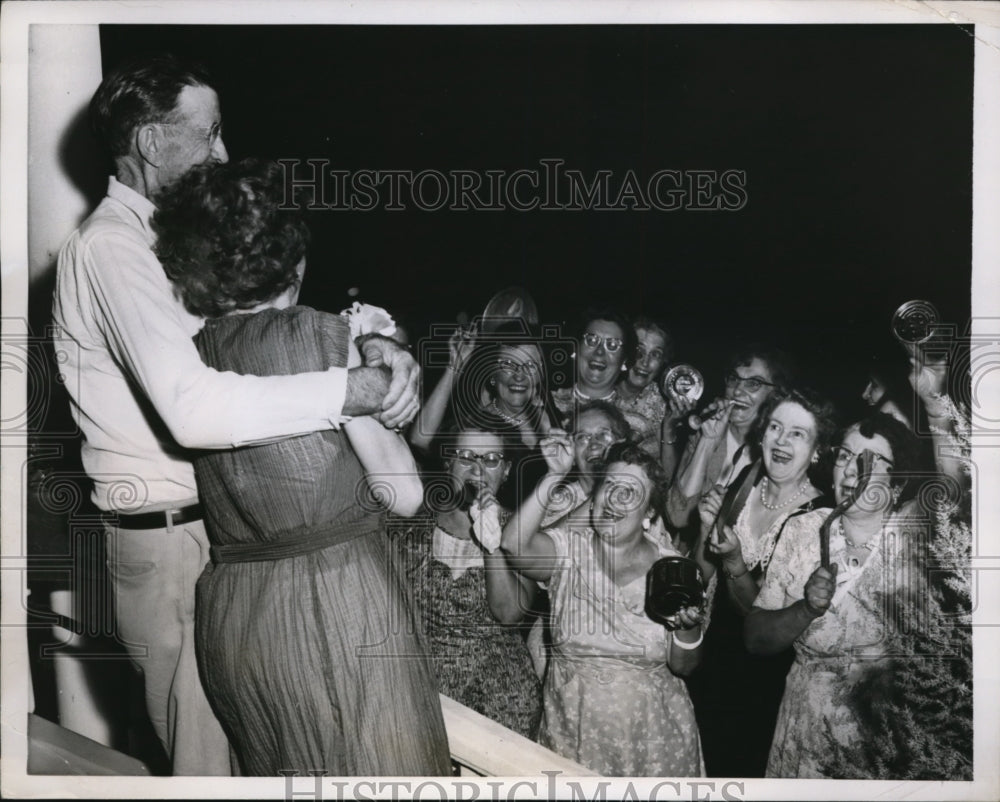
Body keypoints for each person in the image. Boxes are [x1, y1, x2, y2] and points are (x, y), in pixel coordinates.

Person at [51, 54, 418, 775]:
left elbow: (253, 335)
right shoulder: (112, 249)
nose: (222, 152)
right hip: (169, 547)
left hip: (219, 543)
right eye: (209, 133)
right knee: (208, 772)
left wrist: (367, 338)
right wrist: (352, 388)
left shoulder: (168, 240)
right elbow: (194, 407)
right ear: (154, 145)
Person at [152, 158, 451, 775]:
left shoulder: (189, 359)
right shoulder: (324, 339)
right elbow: (404, 495)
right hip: (339, 604)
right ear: (295, 258)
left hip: (237, 620)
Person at [501, 442, 706, 776]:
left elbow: (685, 666)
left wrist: (688, 629)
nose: (614, 498)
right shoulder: (567, 550)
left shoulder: (673, 569)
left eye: (630, 492)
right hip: (573, 736)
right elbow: (513, 545)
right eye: (608, 486)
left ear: (649, 514)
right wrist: (554, 476)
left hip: (654, 742)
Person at [745, 413, 924, 778]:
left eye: (868, 463)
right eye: (844, 456)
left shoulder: (915, 545)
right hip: (802, 732)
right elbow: (755, 639)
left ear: (898, 484)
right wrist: (805, 609)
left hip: (880, 742)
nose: (849, 472)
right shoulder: (802, 529)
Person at [688, 387, 836, 777]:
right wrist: (705, 531)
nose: (781, 440)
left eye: (798, 433)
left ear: (817, 450)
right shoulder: (743, 487)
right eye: (775, 427)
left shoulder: (820, 520)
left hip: (760, 682)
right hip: (711, 659)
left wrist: (735, 560)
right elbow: (702, 574)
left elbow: (761, 626)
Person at [389, 424, 542, 738]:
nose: (477, 469)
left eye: (491, 459)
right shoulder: (412, 518)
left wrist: (493, 544)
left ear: (507, 470)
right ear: (449, 465)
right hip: (421, 684)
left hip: (501, 694)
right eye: (467, 456)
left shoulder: (520, 531)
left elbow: (509, 615)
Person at [410, 320, 554, 507]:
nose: (519, 375)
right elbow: (419, 438)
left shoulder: (559, 420)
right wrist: (455, 365)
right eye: (509, 364)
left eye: (530, 365)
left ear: (542, 372)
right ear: (492, 371)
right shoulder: (474, 423)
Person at [666, 345, 793, 532]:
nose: (738, 391)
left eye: (753, 383)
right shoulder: (706, 432)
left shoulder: (779, 453)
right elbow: (677, 516)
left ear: (776, 395)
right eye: (734, 379)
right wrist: (707, 442)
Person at [613, 316, 691, 477]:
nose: (645, 362)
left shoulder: (663, 403)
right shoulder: (599, 388)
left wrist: (669, 426)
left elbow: (668, 479)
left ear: (663, 361)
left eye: (655, 354)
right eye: (638, 350)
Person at [550, 310, 636, 421]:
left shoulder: (636, 423)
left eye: (612, 345)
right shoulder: (545, 406)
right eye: (591, 340)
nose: (599, 352)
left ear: (624, 360)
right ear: (576, 349)